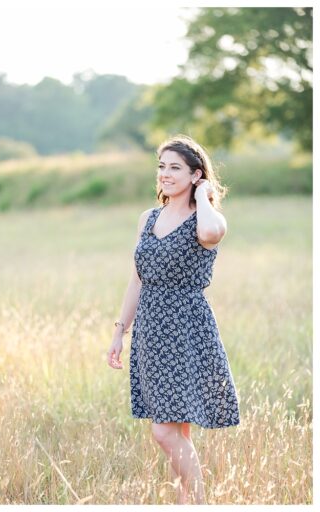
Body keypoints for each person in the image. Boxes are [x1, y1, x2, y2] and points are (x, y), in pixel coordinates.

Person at [107, 135, 239, 504]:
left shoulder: (207, 220)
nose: (165, 174)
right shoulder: (148, 218)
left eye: (175, 168)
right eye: (161, 166)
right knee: (178, 425)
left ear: (197, 175)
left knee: (164, 432)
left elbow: (211, 235)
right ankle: (186, 504)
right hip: (151, 330)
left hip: (186, 328)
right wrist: (120, 332)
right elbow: (137, 278)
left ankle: (198, 502)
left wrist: (202, 196)